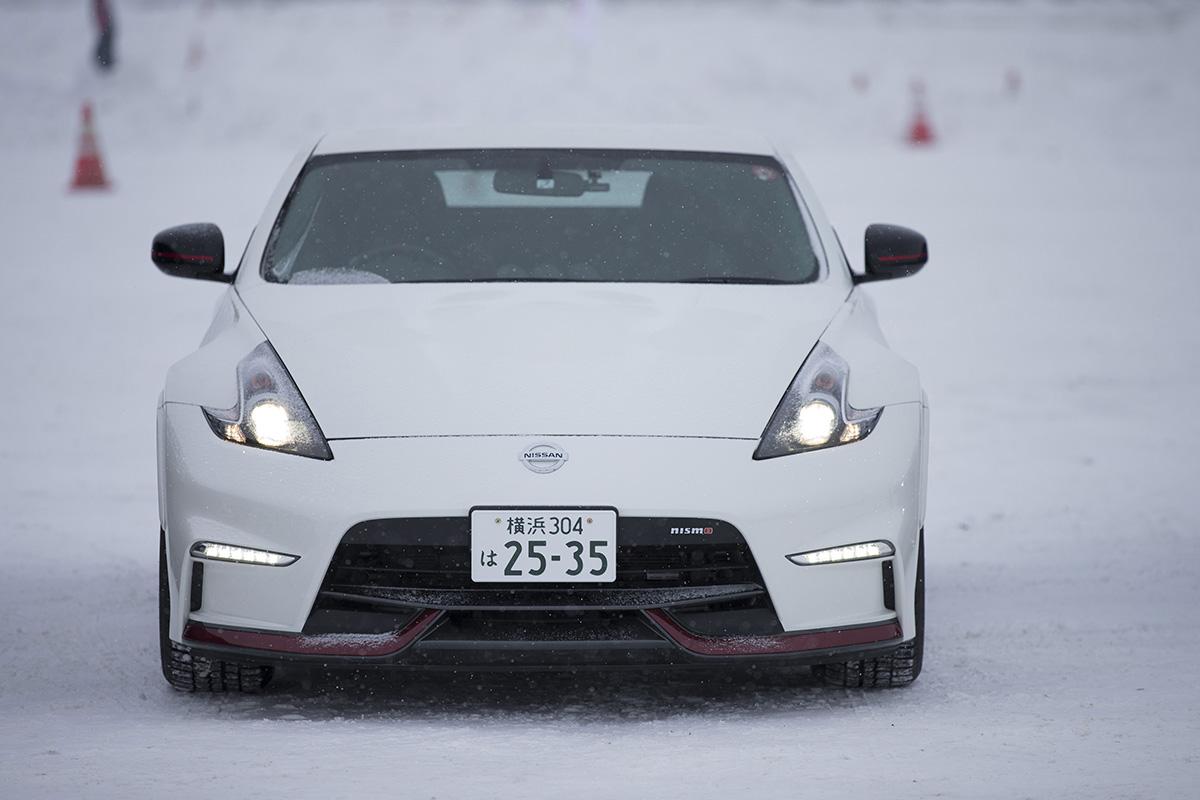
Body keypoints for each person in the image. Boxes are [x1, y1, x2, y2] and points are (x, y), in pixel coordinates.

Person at [93, 0, 116, 72]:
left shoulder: (100, 3)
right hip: (105, 26)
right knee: (106, 43)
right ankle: (105, 61)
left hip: (105, 25)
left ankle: (104, 60)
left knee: (106, 43)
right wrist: (105, 26)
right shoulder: (99, 3)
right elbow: (101, 14)